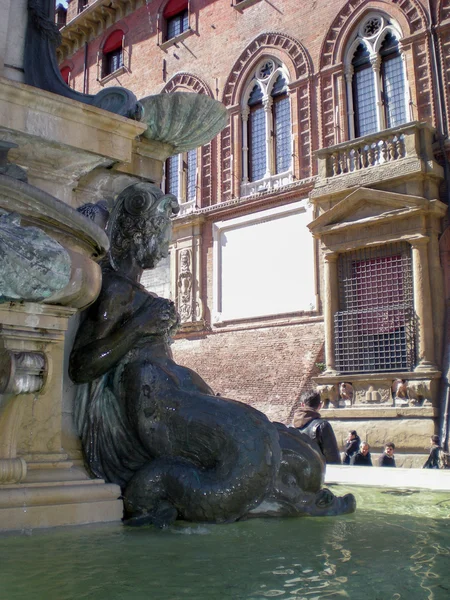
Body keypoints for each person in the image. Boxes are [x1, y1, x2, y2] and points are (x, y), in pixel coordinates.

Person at [69, 184, 355, 526]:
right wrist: (141, 324)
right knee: (252, 441)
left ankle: (293, 493)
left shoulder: (136, 291)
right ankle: (284, 498)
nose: (164, 246)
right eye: (161, 235)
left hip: (177, 389)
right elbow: (82, 364)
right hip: (154, 404)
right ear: (140, 235)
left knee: (306, 461)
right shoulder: (115, 289)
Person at [293, 392, 341, 464]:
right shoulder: (322, 425)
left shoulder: (290, 427)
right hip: (316, 472)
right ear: (320, 405)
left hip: (295, 473)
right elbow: (332, 457)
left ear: (302, 404)